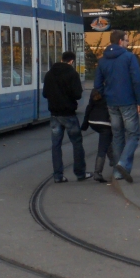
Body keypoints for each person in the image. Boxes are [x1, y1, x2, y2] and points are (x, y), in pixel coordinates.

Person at [94, 30, 140, 183]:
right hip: (128, 101)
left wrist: (107, 94)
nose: (128, 42)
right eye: (126, 40)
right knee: (134, 134)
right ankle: (122, 163)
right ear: (120, 41)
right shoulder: (129, 57)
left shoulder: (102, 60)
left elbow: (97, 85)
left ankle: (117, 172)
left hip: (111, 102)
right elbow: (137, 80)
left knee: (117, 135)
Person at [42, 50, 86, 182]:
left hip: (54, 114)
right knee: (77, 143)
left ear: (62, 59)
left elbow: (45, 94)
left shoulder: (49, 74)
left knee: (56, 145)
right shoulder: (72, 74)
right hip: (69, 114)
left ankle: (58, 176)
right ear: (71, 61)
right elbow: (78, 94)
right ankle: (80, 173)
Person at [82, 88, 114, 182]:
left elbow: (89, 107)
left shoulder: (96, 90)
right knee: (102, 148)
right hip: (105, 122)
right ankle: (97, 172)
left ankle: (113, 160)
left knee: (106, 140)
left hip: (93, 121)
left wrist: (85, 124)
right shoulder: (112, 89)